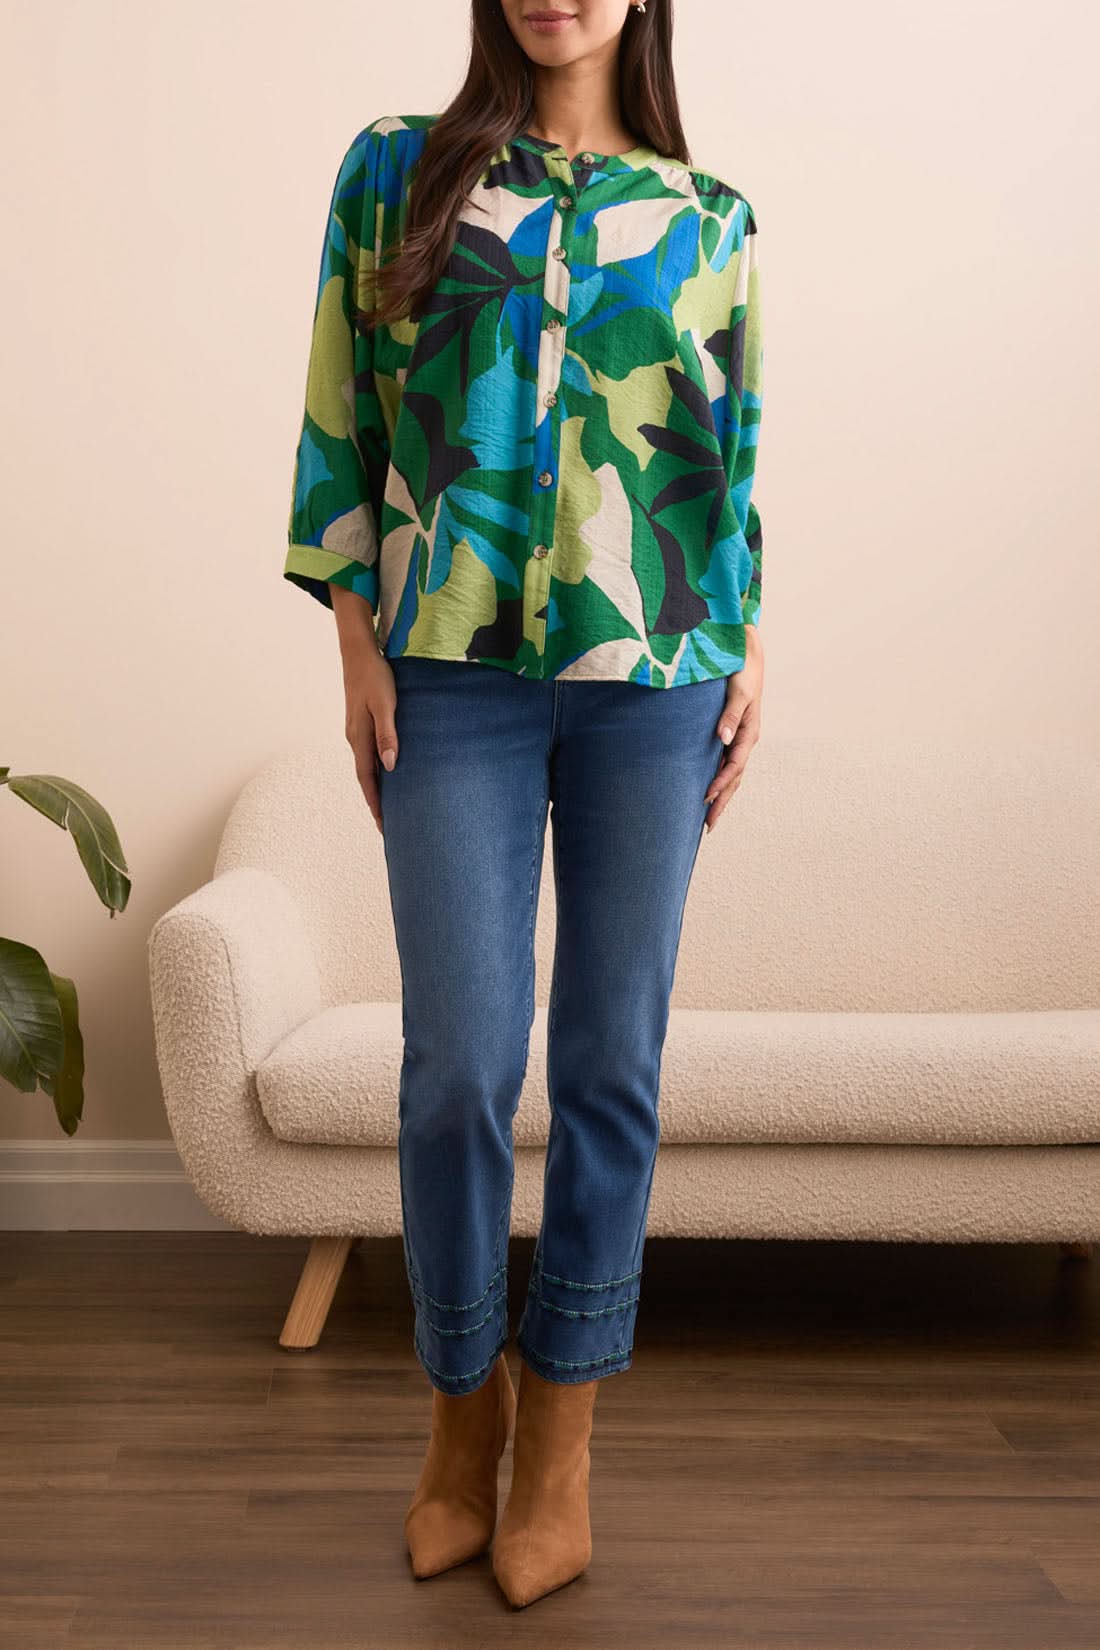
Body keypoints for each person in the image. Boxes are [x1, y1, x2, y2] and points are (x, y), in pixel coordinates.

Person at [283, 0, 764, 1610]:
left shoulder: (712, 222)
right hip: (448, 669)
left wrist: (746, 631)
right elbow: (339, 411)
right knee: (460, 1065)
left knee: (611, 1062)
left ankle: (560, 1439)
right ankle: (457, 1412)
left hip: (658, 673)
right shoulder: (395, 175)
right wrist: (354, 632)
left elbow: (727, 453)